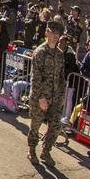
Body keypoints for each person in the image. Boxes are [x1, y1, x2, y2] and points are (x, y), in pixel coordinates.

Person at [27, 21, 66, 165]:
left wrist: (62, 96)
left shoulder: (60, 54)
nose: (55, 36)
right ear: (47, 34)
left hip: (55, 98)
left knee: (56, 126)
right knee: (35, 126)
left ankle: (46, 151)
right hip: (41, 97)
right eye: (53, 33)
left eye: (57, 34)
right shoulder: (40, 52)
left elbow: (62, 78)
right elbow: (36, 77)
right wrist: (41, 97)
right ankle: (32, 151)